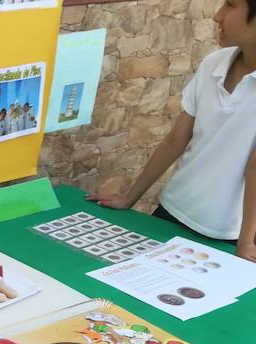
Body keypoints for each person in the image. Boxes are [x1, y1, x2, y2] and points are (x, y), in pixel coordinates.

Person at [88, 0, 256, 261]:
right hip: (172, 210)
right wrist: (129, 198)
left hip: (226, 233)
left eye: (231, 5)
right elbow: (175, 141)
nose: (218, 14)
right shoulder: (214, 63)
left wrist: (245, 243)